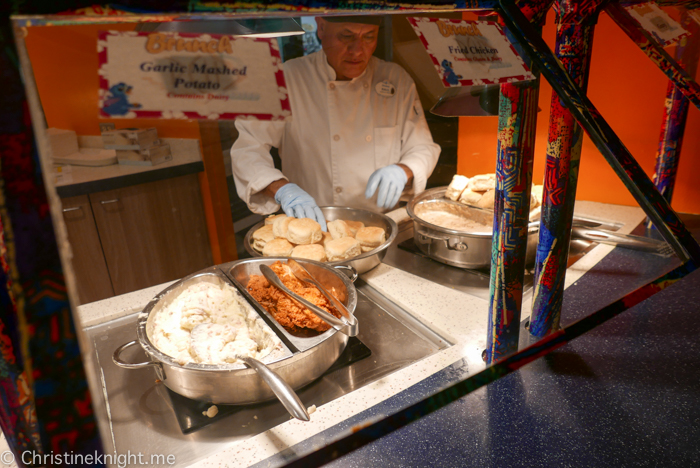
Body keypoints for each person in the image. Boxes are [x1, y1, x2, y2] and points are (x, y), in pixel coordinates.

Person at [230, 15, 441, 230]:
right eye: (346, 36)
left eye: (369, 37)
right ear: (321, 28)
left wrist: (402, 170)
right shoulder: (284, 79)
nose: (358, 50)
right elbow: (248, 149)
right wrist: (283, 190)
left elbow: (422, 147)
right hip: (311, 225)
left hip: (381, 227)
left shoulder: (396, 79)